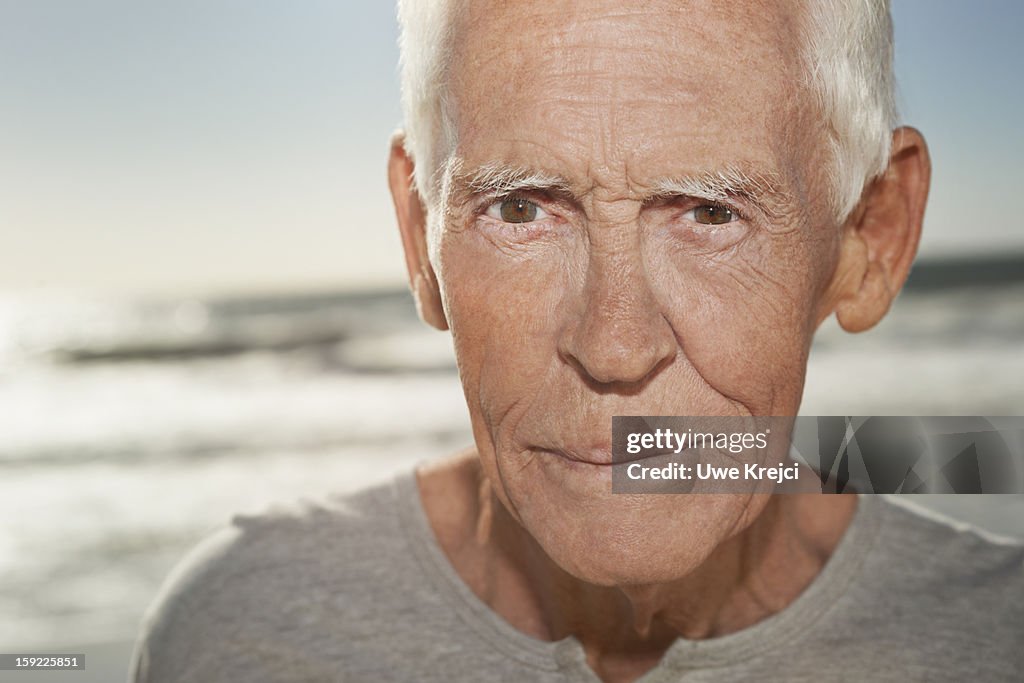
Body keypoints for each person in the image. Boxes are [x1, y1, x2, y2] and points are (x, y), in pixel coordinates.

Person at [130, 1, 1024, 681]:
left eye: (711, 212)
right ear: (420, 236)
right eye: (520, 208)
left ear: (872, 238)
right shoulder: (243, 635)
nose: (613, 345)